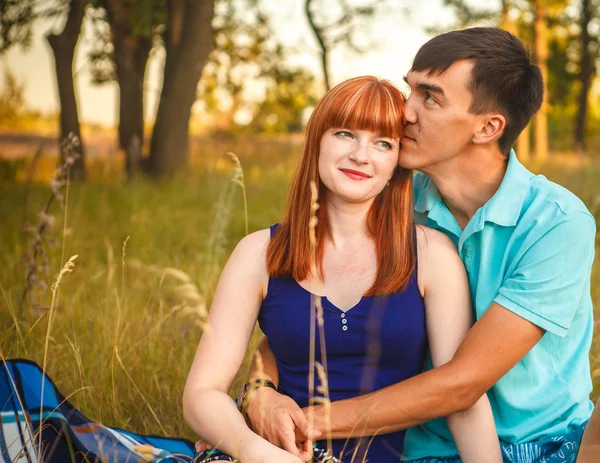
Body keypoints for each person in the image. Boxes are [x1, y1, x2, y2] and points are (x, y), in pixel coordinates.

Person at [234, 27, 597, 463]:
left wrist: (301, 424)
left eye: (431, 97)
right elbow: (303, 315)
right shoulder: (389, 200)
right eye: (411, 89)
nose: (404, 112)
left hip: (543, 444)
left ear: (487, 127)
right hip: (421, 448)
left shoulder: (556, 223)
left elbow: (463, 383)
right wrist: (259, 392)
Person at [182, 76, 502, 463]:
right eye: (345, 134)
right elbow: (201, 394)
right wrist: (254, 450)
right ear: (317, 139)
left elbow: (462, 400)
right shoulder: (258, 253)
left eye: (382, 143)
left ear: (397, 162)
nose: (361, 155)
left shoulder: (433, 255)